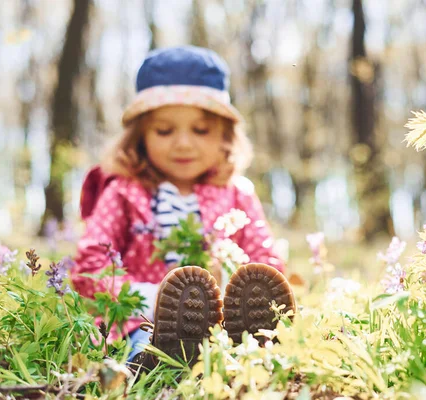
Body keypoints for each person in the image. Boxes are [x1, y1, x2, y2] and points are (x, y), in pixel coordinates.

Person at [70, 46, 295, 369]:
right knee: (140, 338)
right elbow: (92, 261)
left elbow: (266, 259)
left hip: (223, 319)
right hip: (140, 317)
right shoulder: (125, 192)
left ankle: (245, 355)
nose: (183, 143)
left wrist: (235, 282)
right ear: (139, 136)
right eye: (164, 130)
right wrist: (147, 299)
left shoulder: (236, 195)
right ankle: (149, 364)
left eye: (201, 130)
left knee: (245, 337)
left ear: (224, 136)